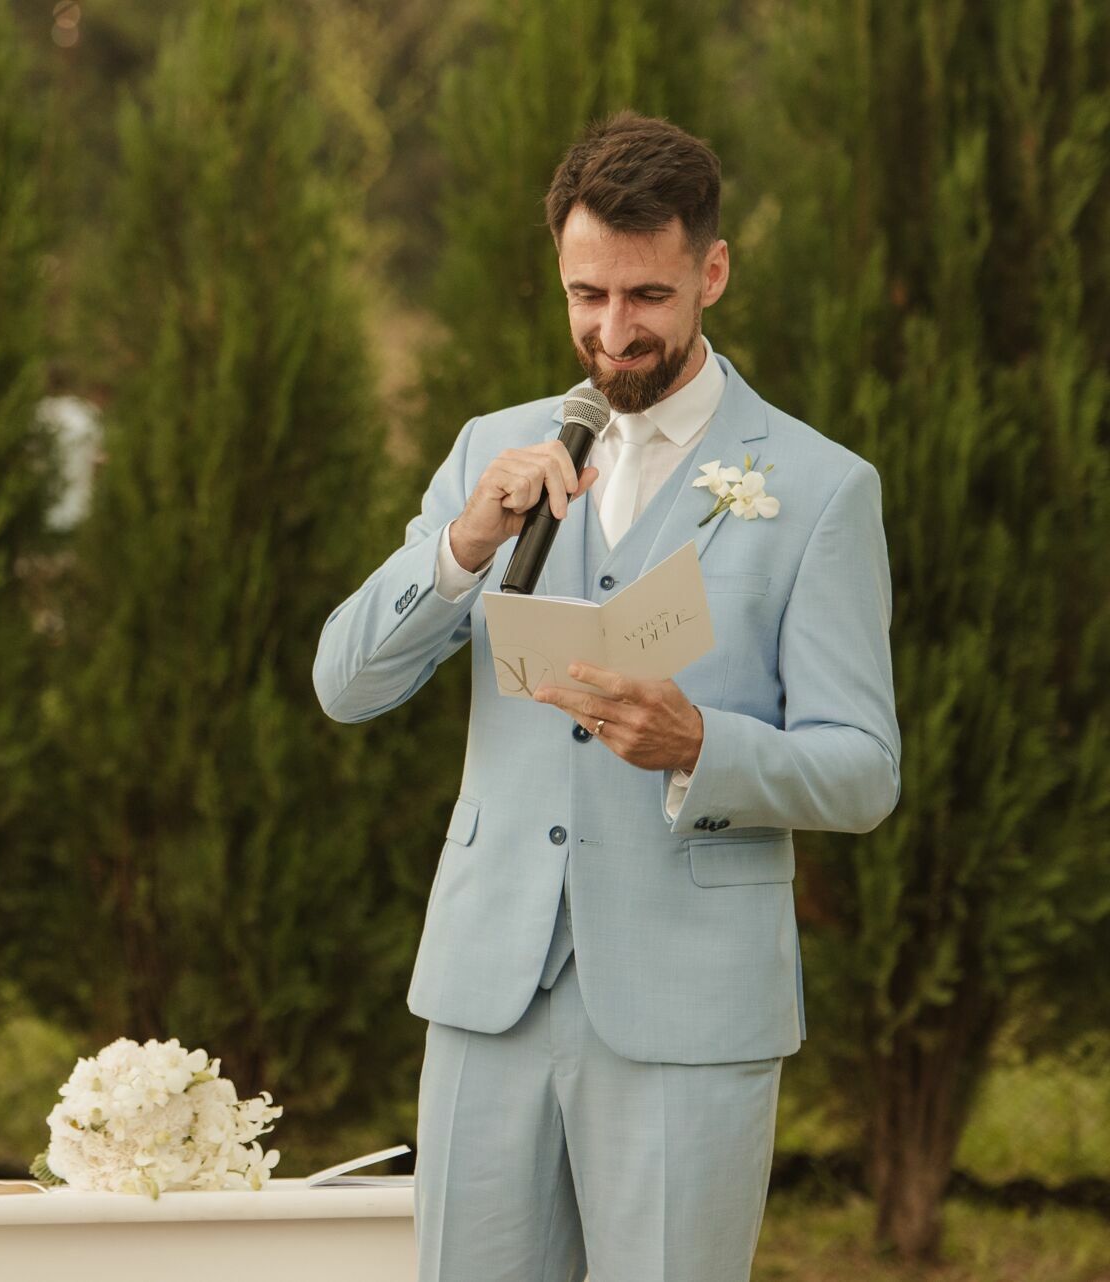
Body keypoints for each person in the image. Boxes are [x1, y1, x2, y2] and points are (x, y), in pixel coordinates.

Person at [313, 113, 901, 1282]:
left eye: (646, 296)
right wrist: (463, 545)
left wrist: (704, 744)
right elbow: (346, 682)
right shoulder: (496, 444)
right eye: (587, 294)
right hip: (489, 990)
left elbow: (863, 767)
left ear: (712, 273)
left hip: (689, 1004)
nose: (612, 330)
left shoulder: (822, 487)